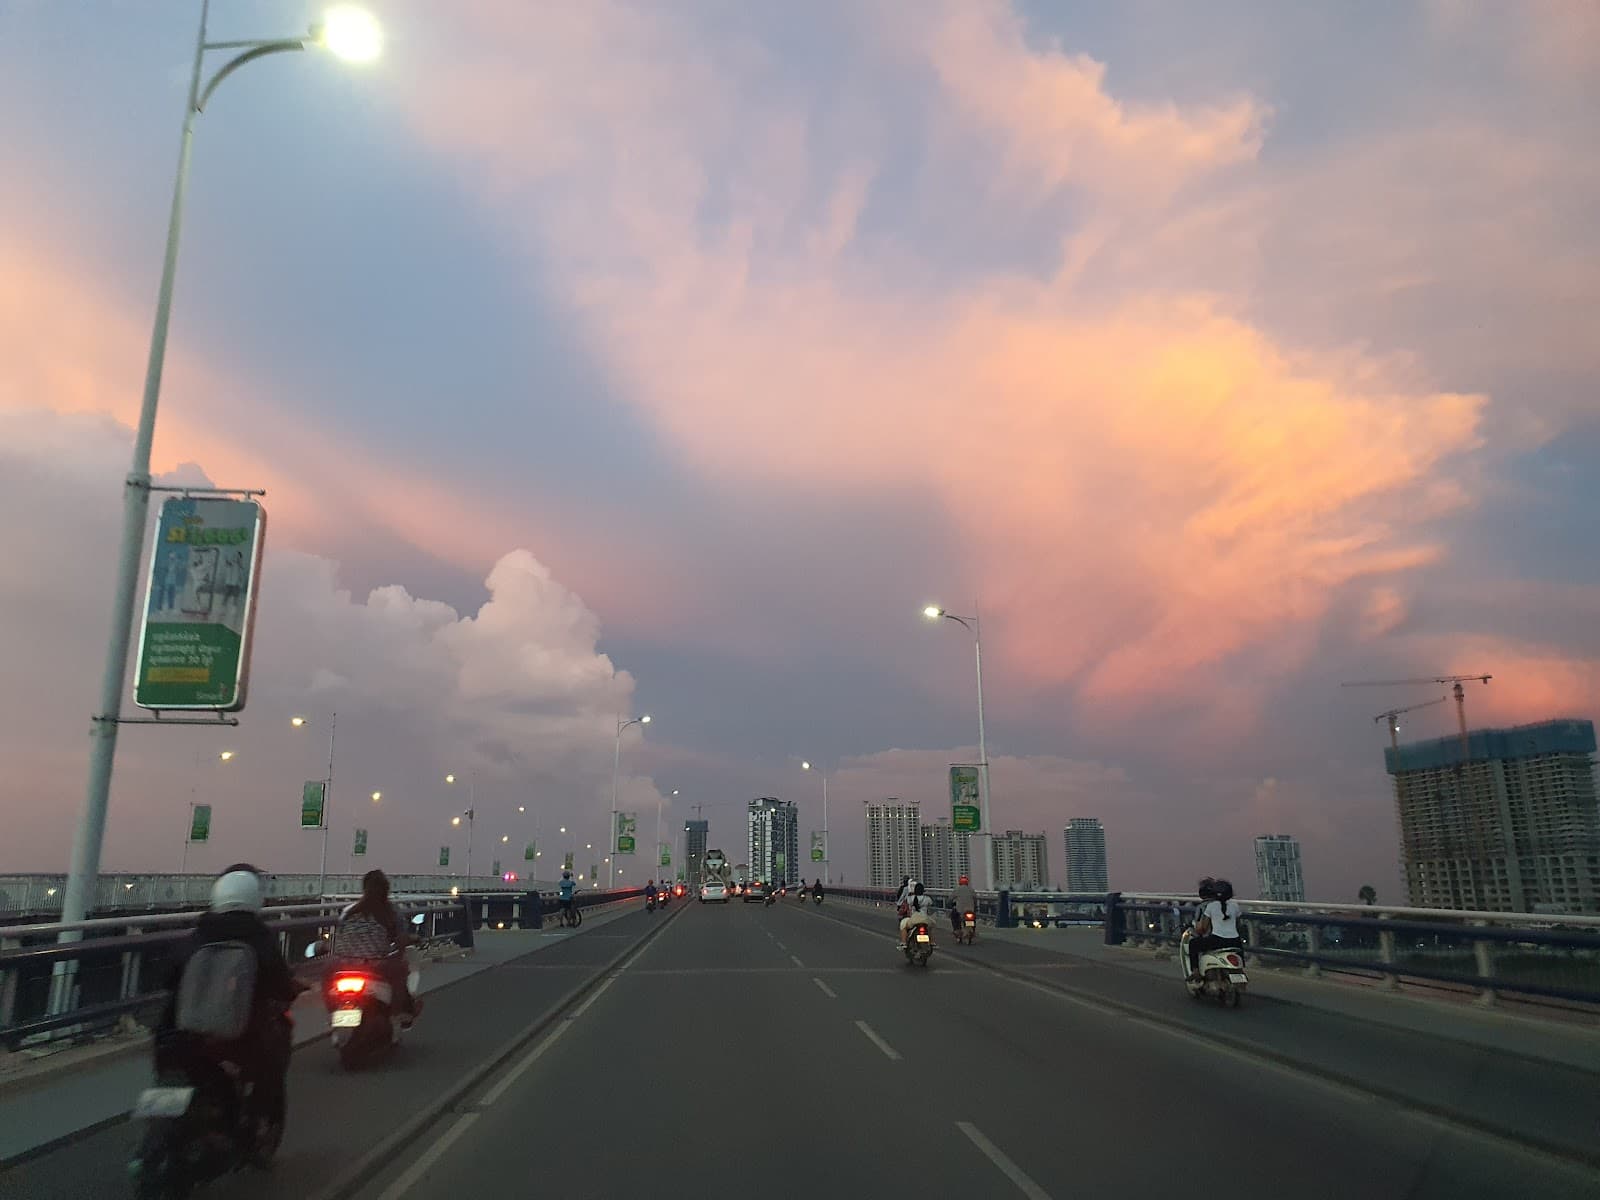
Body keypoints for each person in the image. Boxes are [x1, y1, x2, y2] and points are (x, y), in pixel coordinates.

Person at [154, 864, 299, 1140]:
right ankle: (253, 1120)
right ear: (255, 898)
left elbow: (167, 976)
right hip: (236, 1033)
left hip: (183, 1032)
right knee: (271, 1057)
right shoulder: (259, 938)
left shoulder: (199, 933)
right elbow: (279, 982)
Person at [336, 869, 420, 1022]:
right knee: (400, 970)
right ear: (386, 890)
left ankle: (335, 1017)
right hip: (375, 965)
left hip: (345, 965)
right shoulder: (390, 913)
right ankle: (399, 1015)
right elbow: (401, 940)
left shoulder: (349, 912)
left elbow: (340, 934)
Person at [1187, 877, 1244, 978]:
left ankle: (1195, 972)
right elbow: (1238, 925)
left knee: (1193, 944)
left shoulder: (1211, 907)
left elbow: (1203, 928)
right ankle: (1242, 969)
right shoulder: (1235, 905)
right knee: (1239, 950)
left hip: (1218, 940)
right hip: (1235, 941)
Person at [898, 881, 936, 950]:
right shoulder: (927, 898)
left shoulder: (910, 898)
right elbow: (931, 907)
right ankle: (932, 942)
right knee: (931, 927)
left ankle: (904, 943)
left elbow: (904, 903)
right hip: (925, 919)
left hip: (914, 919)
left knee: (903, 925)